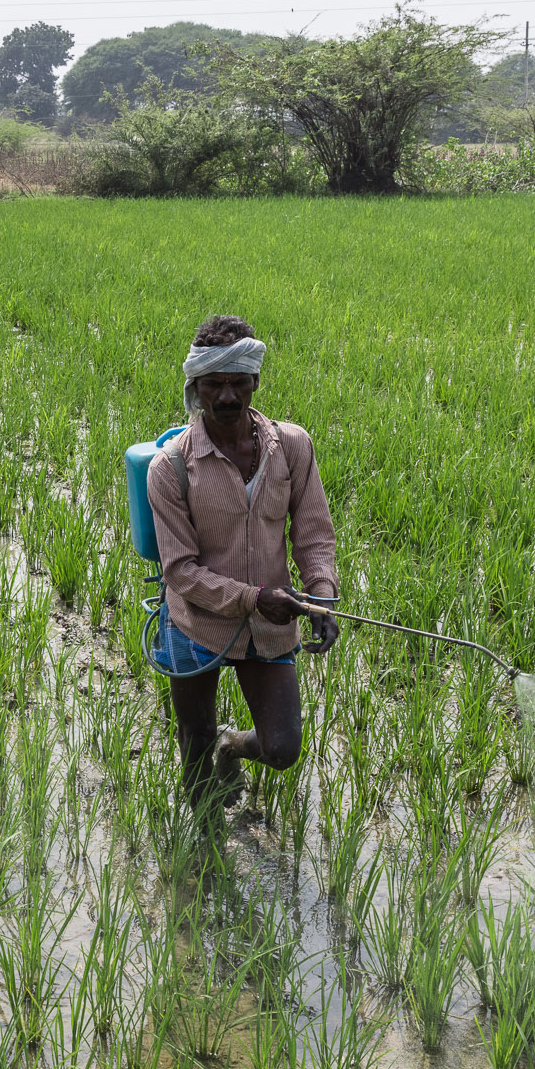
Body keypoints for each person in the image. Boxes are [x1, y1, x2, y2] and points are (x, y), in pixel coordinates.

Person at [147, 314, 341, 813]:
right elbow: (180, 571)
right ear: (196, 388)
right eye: (215, 385)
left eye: (238, 383)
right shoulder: (169, 468)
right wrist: (253, 598)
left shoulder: (292, 446)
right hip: (197, 623)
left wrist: (320, 595)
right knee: (194, 745)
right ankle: (201, 856)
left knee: (282, 748)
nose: (227, 397)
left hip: (270, 623)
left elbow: (314, 533)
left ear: (255, 381)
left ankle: (233, 746)